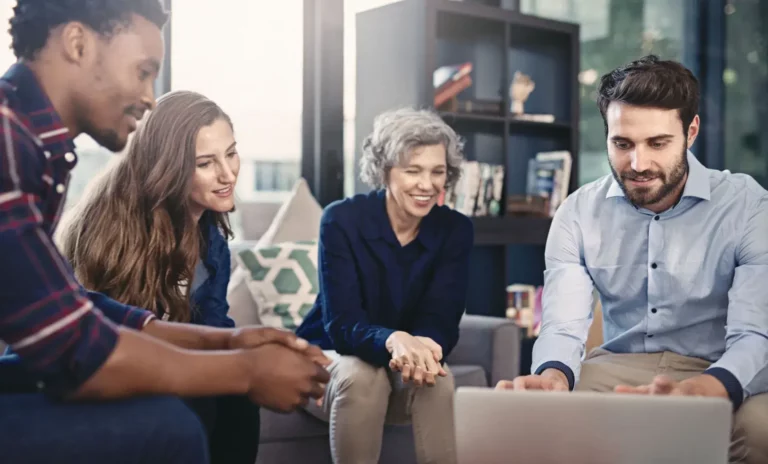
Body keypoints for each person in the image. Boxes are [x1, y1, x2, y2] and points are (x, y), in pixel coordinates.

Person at [0, 2, 329, 463]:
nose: (150, 96)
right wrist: (244, 371)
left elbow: (77, 309)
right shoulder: (8, 145)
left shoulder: (36, 148)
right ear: (77, 44)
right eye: (143, 71)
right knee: (167, 427)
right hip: (36, 371)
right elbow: (77, 347)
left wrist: (229, 343)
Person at [496, 55, 768, 463]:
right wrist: (552, 374)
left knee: (758, 432)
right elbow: (564, 327)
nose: (638, 165)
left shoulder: (748, 206)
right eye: (622, 144)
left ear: (690, 132)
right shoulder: (578, 212)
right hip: (617, 367)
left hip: (719, 368)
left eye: (657, 143)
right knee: (536, 426)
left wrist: (711, 386)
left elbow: (754, 335)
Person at [55, 90, 260, 464]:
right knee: (200, 401)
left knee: (238, 394)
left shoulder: (211, 234)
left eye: (231, 153)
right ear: (170, 166)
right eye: (205, 163)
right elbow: (105, 339)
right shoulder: (113, 229)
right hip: (102, 371)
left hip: (164, 365)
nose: (228, 174)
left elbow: (214, 325)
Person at [296, 107, 474, 464]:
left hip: (402, 362)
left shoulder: (455, 229)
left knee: (437, 379)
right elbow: (342, 326)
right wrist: (394, 339)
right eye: (413, 171)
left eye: (437, 172)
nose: (427, 185)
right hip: (334, 354)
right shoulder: (341, 219)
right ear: (384, 172)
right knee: (364, 378)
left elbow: (441, 316)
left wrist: (425, 345)